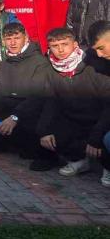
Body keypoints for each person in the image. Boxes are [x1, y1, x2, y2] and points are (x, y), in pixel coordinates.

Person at [37, 27, 110, 179]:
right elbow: (51, 101)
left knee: (105, 139)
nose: (60, 50)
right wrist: (44, 130)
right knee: (49, 132)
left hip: (100, 120)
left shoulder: (94, 65)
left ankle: (107, 167)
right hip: (73, 119)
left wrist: (96, 136)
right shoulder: (51, 69)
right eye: (55, 46)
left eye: (65, 44)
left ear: (75, 44)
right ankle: (79, 160)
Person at [0, 23, 53, 159]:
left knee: (29, 146)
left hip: (30, 110)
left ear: (26, 38)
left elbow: (37, 96)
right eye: (8, 39)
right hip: (9, 107)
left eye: (17, 38)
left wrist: (15, 117)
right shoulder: (5, 63)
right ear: (4, 41)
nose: (13, 43)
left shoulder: (39, 62)